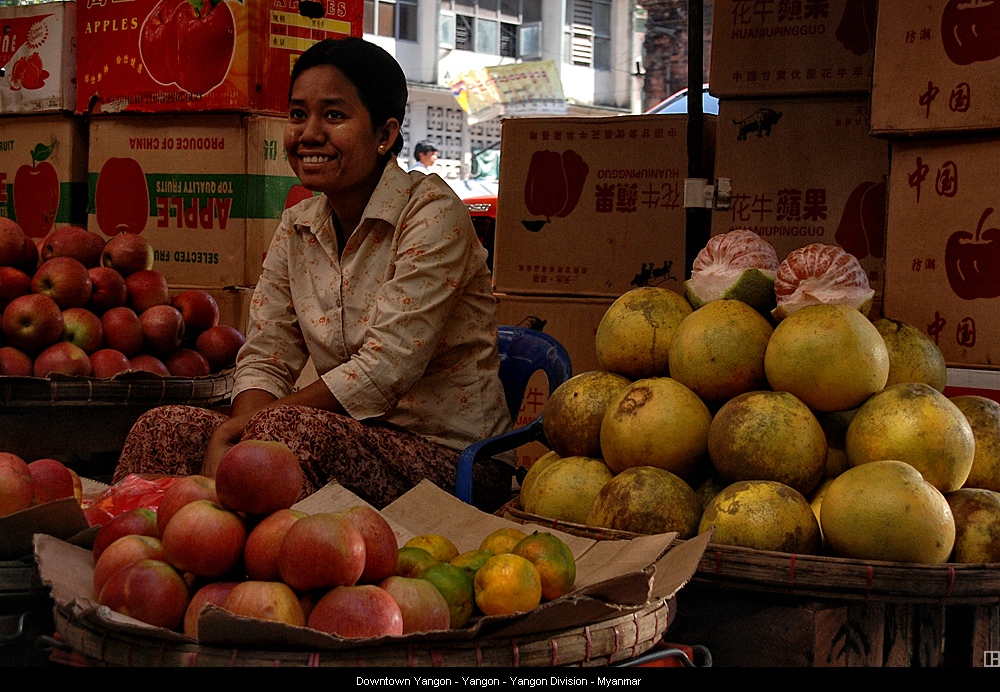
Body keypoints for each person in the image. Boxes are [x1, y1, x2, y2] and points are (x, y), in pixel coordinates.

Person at [112, 38, 513, 511]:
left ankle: (257, 579)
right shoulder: (298, 225)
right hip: (342, 436)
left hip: (450, 459)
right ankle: (138, 561)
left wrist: (244, 434)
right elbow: (267, 354)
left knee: (288, 434)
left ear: (384, 135)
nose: (309, 133)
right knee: (162, 428)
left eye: (335, 116)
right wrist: (243, 435)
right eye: (299, 114)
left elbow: (383, 370)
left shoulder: (432, 215)